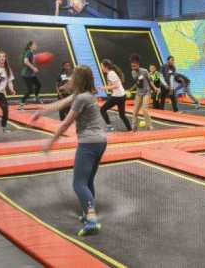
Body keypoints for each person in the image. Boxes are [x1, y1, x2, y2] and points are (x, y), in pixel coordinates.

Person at [31, 65, 106, 236]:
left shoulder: (80, 99)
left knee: (78, 183)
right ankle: (89, 214)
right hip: (101, 141)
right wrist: (40, 112)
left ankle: (92, 220)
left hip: (89, 143)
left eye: (73, 76)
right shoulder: (85, 95)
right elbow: (59, 104)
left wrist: (51, 142)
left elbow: (66, 123)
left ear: (78, 80)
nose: (71, 78)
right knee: (87, 181)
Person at [99, 59, 132, 132]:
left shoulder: (111, 73)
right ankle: (130, 129)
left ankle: (109, 126)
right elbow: (112, 84)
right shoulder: (110, 73)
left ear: (106, 66)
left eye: (102, 66)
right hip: (121, 96)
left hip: (117, 96)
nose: (101, 68)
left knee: (102, 109)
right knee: (122, 115)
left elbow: (116, 85)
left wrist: (104, 88)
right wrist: (104, 87)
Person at [129, 54, 160, 131]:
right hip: (139, 93)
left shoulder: (144, 71)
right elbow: (138, 83)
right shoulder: (133, 72)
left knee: (144, 109)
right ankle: (134, 128)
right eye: (132, 66)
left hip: (147, 92)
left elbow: (150, 80)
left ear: (138, 64)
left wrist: (155, 88)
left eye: (134, 65)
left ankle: (149, 127)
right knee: (135, 111)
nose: (133, 67)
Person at [19, 40, 42, 109]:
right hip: (26, 75)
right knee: (30, 90)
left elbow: (31, 61)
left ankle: (36, 97)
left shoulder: (31, 53)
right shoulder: (29, 52)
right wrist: (33, 68)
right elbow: (25, 61)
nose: (36, 46)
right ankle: (22, 102)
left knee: (38, 85)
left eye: (36, 45)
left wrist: (35, 59)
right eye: (34, 45)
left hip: (31, 74)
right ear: (30, 46)